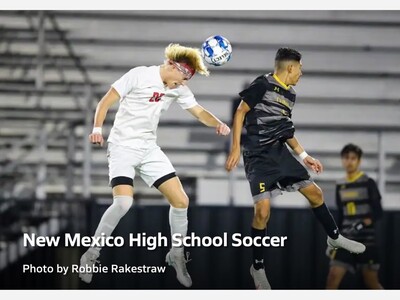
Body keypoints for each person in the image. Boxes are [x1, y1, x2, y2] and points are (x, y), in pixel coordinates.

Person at [79, 43, 231, 287]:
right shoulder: (139, 75)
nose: (184, 82)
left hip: (149, 149)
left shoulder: (177, 87)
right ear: (171, 64)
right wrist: (97, 129)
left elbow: (199, 111)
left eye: (188, 78)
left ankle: (176, 255)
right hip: (122, 147)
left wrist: (217, 123)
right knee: (123, 202)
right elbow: (105, 101)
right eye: (184, 75)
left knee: (181, 201)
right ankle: (91, 254)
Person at [225, 47, 366, 289]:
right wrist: (235, 147)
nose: (301, 73)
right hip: (257, 156)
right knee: (262, 212)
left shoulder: (290, 96)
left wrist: (304, 155)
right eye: (300, 68)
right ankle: (257, 267)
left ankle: (334, 238)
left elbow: (286, 131)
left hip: (280, 152)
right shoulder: (263, 84)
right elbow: (240, 112)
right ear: (290, 67)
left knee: (315, 193)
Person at [326, 144, 384, 289]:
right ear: (342, 160)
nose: (349, 161)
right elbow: (340, 214)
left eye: (353, 158)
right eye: (346, 158)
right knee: (332, 277)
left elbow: (378, 211)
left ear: (358, 161)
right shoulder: (340, 185)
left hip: (366, 241)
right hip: (345, 240)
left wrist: (364, 222)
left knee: (371, 282)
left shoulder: (368, 182)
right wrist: (334, 238)